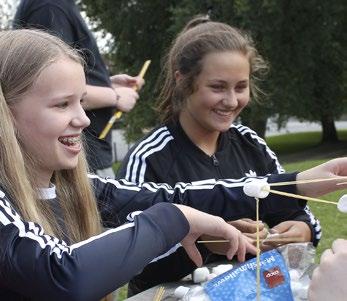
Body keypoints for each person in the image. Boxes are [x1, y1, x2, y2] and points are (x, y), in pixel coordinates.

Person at [0, 28, 260, 300]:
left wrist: (295, 185)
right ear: (6, 114)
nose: (84, 119)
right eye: (62, 104)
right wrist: (173, 218)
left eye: (82, 102)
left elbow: (175, 195)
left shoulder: (77, 188)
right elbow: (62, 275)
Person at [117, 16, 322, 294]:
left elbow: (302, 212)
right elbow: (127, 259)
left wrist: (302, 229)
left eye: (240, 87)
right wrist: (203, 240)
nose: (231, 101)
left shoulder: (252, 145)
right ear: (183, 80)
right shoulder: (149, 158)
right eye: (217, 87)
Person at [13, 0, 144, 178]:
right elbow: (51, 86)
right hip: (79, 163)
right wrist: (115, 97)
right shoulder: (50, 7)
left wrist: (107, 83)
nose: (84, 120)